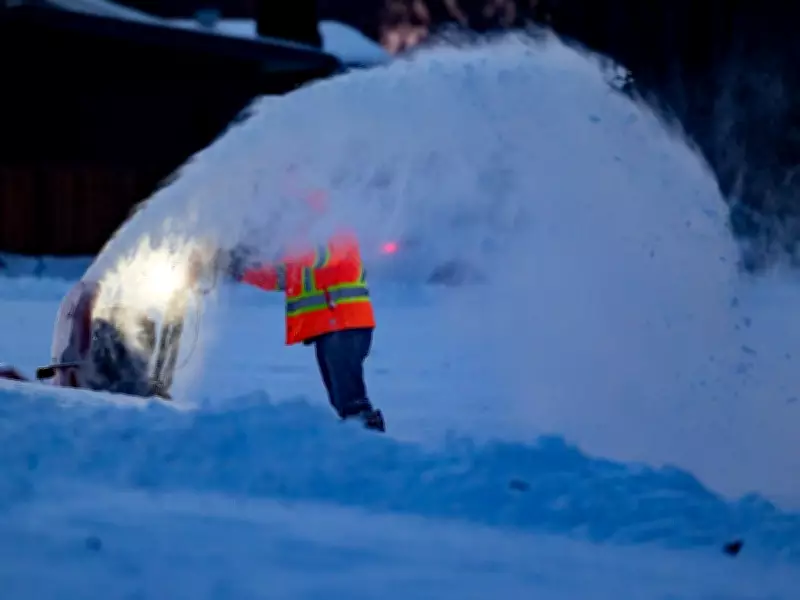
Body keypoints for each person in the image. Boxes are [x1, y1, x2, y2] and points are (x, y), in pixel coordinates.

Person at [226, 227, 386, 433]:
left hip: (347, 323)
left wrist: (274, 244)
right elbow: (279, 278)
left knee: (351, 399)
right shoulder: (303, 242)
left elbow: (319, 256)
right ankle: (360, 441)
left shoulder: (338, 226)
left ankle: (370, 442)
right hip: (331, 325)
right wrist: (241, 269)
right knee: (340, 398)